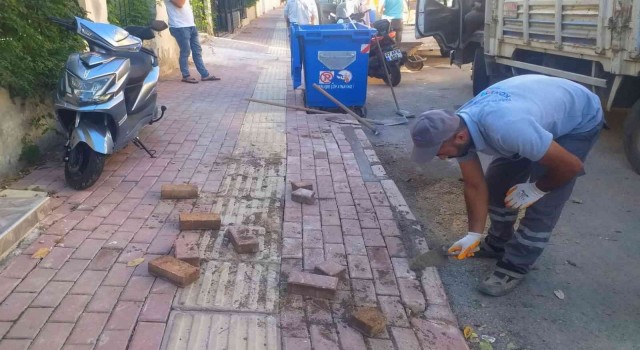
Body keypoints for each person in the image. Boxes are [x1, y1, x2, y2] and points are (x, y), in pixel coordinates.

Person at [410, 75, 603, 296]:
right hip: (530, 119)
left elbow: (571, 167)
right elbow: (475, 185)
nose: (439, 157)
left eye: (438, 151)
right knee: (497, 186)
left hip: (577, 120)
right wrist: (473, 234)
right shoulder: (459, 128)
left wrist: (537, 188)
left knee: (543, 204)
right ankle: (497, 243)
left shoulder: (506, 128)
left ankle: (516, 264)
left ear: (460, 137)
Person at [165, 0, 220, 83]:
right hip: (179, 26)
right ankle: (186, 75)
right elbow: (180, 4)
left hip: (190, 25)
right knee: (185, 51)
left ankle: (205, 75)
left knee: (197, 51)